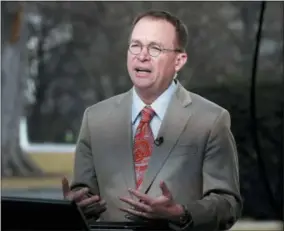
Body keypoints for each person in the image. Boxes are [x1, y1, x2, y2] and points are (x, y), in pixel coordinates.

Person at [62, 10, 242, 231]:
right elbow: (84, 196)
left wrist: (181, 213)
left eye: (155, 48)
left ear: (178, 61)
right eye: (135, 45)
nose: (142, 55)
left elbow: (227, 204)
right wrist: (75, 206)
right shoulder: (95, 119)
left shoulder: (210, 120)